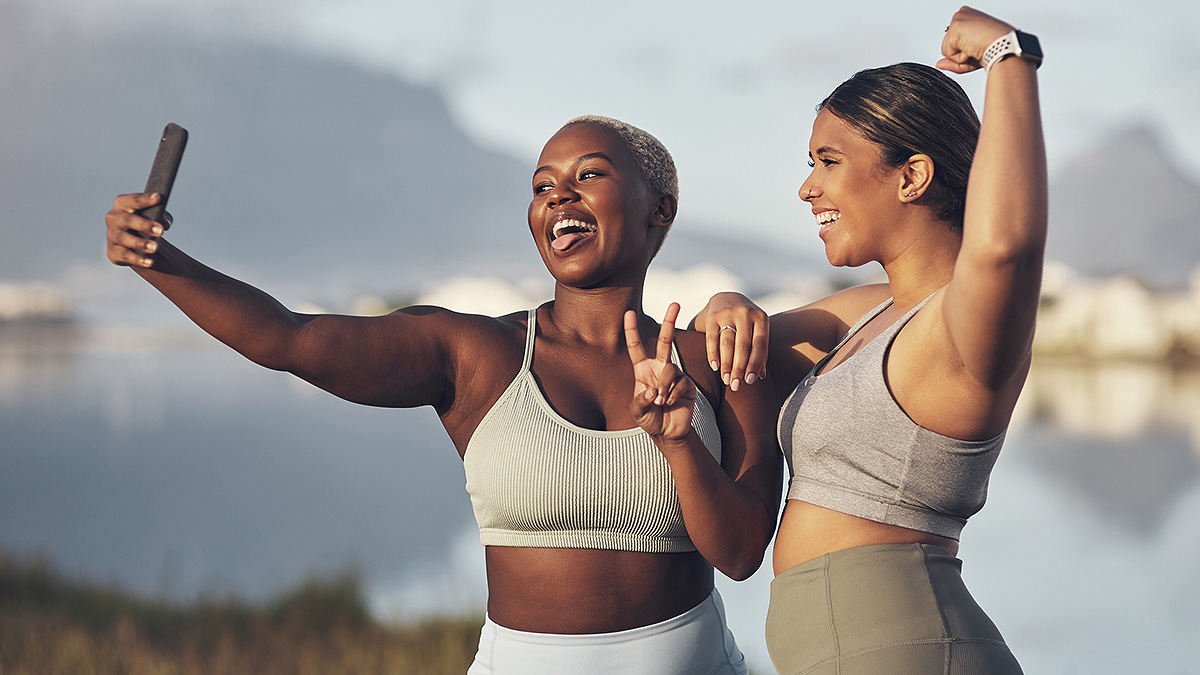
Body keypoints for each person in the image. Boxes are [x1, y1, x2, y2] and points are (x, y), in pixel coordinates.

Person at [104, 115, 781, 674]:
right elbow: (290, 338)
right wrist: (159, 260)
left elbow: (744, 553)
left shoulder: (718, 357)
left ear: (658, 210)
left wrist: (680, 442)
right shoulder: (475, 354)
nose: (558, 196)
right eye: (542, 185)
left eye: (589, 175)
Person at [695, 7, 1043, 674]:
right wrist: (729, 302)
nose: (807, 187)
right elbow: (728, 343)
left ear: (912, 176)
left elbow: (1006, 247)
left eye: (829, 161)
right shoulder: (866, 314)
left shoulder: (964, 328)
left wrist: (1009, 57)